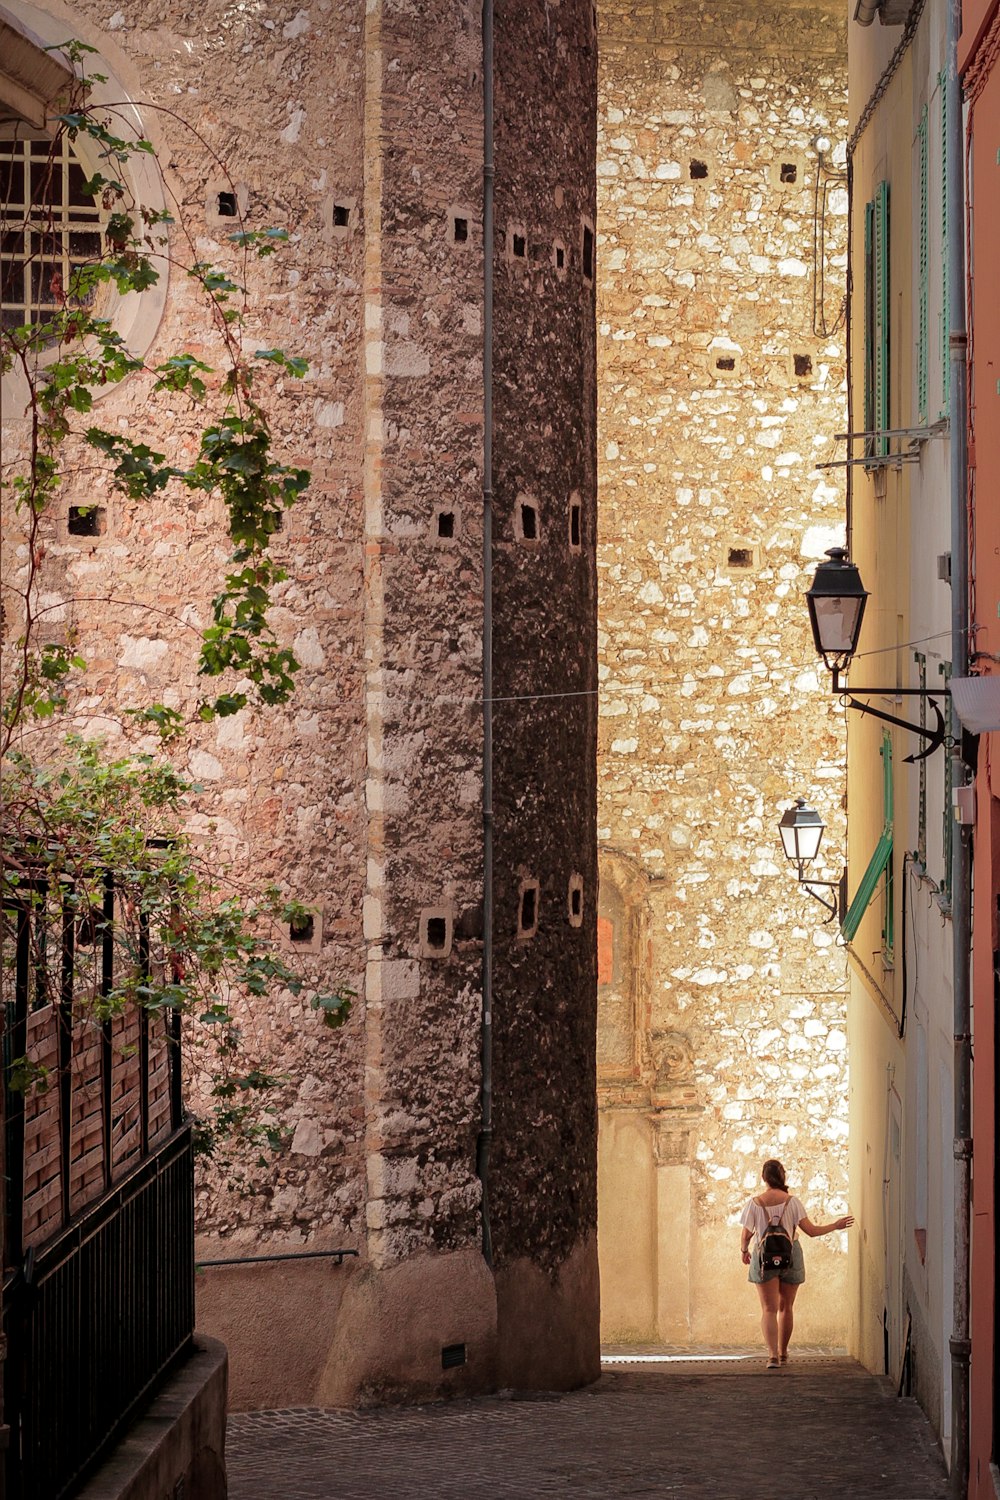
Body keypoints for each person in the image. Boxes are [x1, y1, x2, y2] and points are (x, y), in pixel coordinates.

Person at [739, 1158, 854, 1369]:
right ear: (783, 1176)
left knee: (768, 1309)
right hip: (791, 1255)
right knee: (786, 1307)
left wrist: (744, 1251)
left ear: (764, 1178)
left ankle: (772, 1356)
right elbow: (810, 1231)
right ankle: (783, 1353)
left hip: (764, 1258)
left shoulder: (754, 1204)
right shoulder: (793, 1203)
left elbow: (746, 1234)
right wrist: (834, 1226)